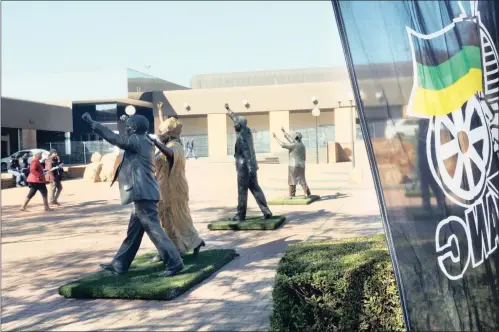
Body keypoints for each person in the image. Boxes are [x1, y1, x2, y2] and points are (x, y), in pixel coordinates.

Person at [81, 111, 184, 277]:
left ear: (134, 128)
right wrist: (128, 120)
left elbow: (116, 139)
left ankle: (174, 263)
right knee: (134, 232)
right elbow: (129, 132)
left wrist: (94, 123)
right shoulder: (143, 140)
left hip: (143, 193)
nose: (126, 130)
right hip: (143, 193)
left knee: (154, 229)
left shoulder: (136, 140)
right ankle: (119, 264)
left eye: (128, 127)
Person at [147, 117, 205, 262]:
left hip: (175, 190)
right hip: (163, 189)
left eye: (161, 132)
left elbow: (170, 154)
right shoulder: (165, 144)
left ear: (170, 134)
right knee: (166, 220)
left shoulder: (176, 146)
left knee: (178, 219)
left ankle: (189, 244)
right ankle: (175, 247)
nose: (159, 134)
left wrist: (155, 142)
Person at [225, 103, 272, 221]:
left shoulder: (241, 137)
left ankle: (240, 215)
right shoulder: (247, 131)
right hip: (251, 167)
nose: (234, 124)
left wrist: (250, 169)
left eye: (236, 124)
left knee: (242, 192)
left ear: (240, 125)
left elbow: (246, 153)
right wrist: (228, 110)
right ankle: (266, 211)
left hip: (244, 168)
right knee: (256, 189)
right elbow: (235, 118)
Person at [273, 128, 311, 199]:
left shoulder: (293, 145)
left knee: (291, 181)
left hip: (293, 165)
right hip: (302, 165)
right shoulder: (302, 145)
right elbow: (291, 140)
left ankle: (290, 196)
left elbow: (282, 144)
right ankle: (306, 194)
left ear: (295, 138)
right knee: (302, 180)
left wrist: (275, 138)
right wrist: (284, 132)